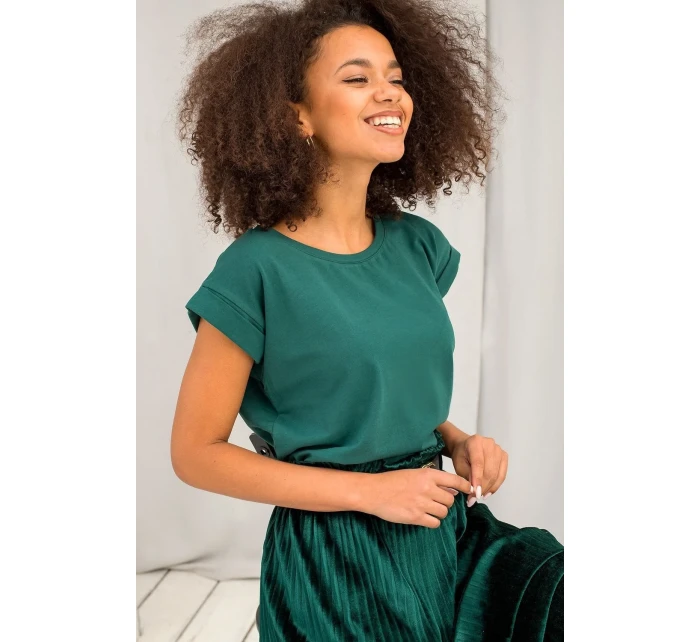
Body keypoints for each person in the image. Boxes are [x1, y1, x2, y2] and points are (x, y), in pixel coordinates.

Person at [170, 1, 563, 640]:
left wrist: (457, 440)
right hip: (336, 558)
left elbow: (376, 391)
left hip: (439, 525)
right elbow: (195, 454)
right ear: (295, 116)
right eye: (357, 78)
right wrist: (370, 494)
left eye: (396, 77)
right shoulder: (255, 269)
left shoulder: (418, 246)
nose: (389, 93)